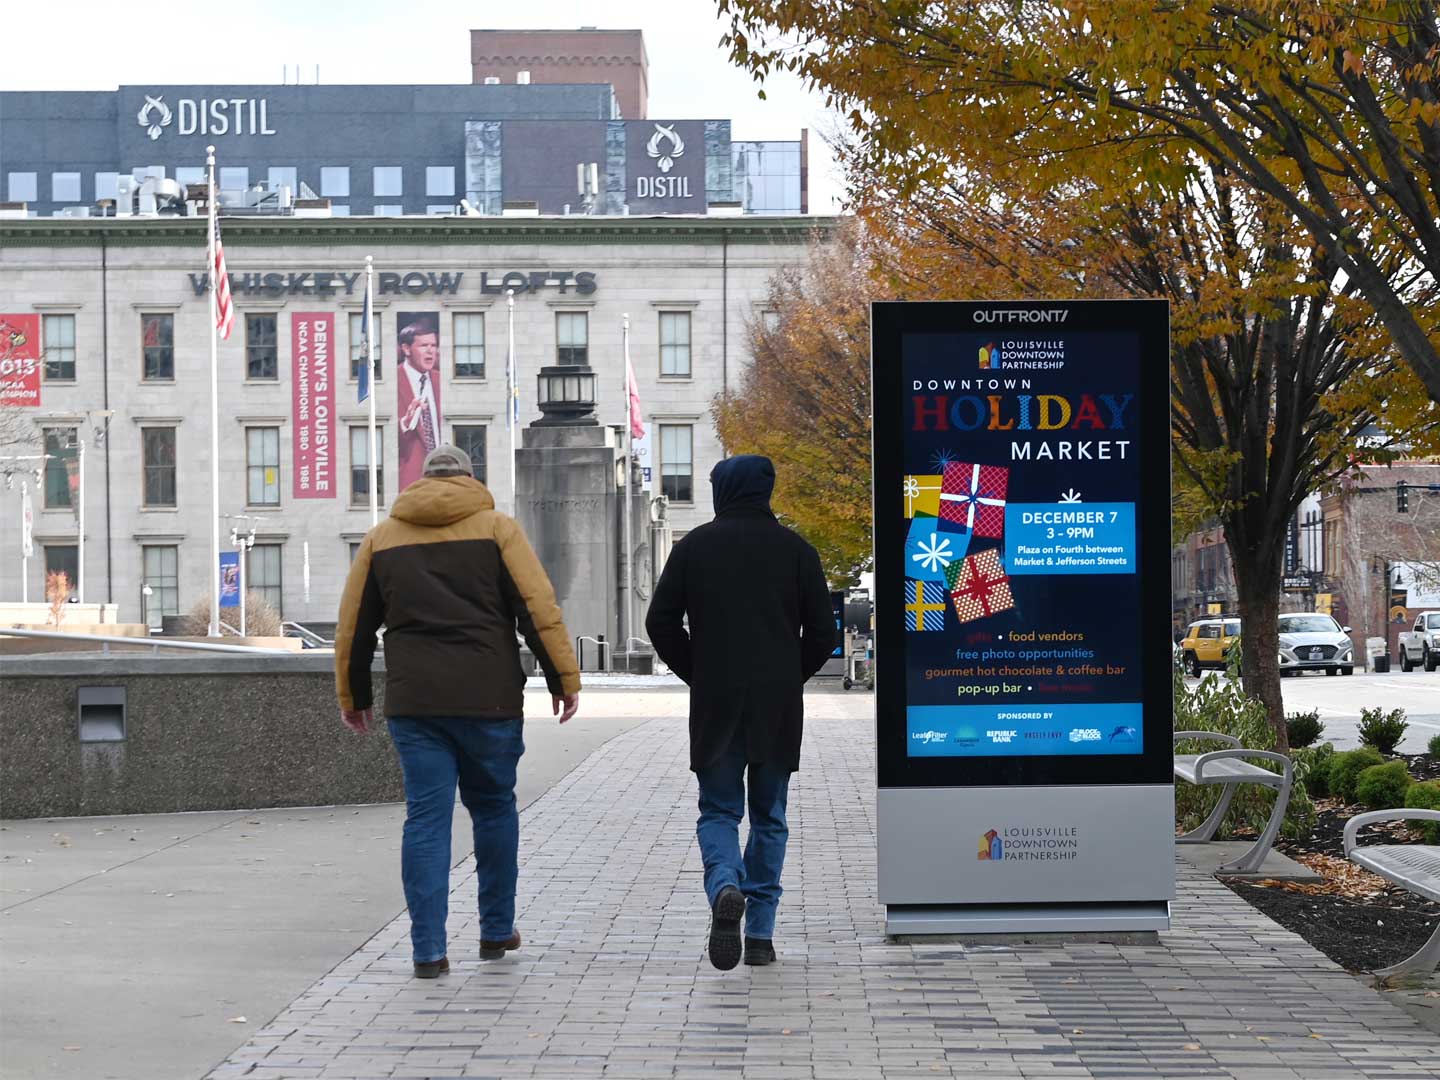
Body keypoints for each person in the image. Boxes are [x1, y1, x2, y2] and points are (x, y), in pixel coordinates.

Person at [334, 443, 581, 978]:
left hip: (416, 703)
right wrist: (563, 678)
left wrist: (354, 696)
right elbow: (537, 610)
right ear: (470, 478)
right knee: (494, 808)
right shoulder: (498, 529)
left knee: (426, 818)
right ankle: (495, 930)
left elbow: (354, 625)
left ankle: (428, 951)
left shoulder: (382, 537)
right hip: (489, 698)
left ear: (422, 481)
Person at [646, 454, 835, 970]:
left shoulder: (694, 548)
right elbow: (824, 632)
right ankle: (760, 936)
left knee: (719, 811)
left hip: (717, 701)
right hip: (776, 704)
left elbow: (660, 622)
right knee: (770, 817)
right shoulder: (798, 550)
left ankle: (724, 885)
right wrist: (788, 674)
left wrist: (699, 671)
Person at [396, 318, 442, 491]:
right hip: (411, 484)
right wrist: (405, 424)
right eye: (424, 346)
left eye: (433, 345)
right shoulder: (394, 380)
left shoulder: (439, 379)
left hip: (443, 482)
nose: (431, 352)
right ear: (406, 349)